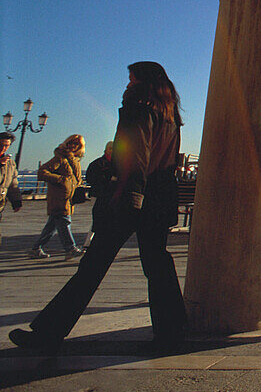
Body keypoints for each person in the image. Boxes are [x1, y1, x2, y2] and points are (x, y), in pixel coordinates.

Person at [11, 62, 188, 352]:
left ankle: (47, 334)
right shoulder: (170, 116)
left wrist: (126, 197)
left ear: (143, 83)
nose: (127, 85)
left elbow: (136, 156)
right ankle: (173, 331)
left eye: (131, 80)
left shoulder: (138, 108)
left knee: (92, 266)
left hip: (131, 197)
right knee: (157, 263)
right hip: (158, 197)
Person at [28, 134, 85, 259]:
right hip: (59, 198)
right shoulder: (60, 159)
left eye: (76, 144)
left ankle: (36, 248)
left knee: (52, 226)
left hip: (68, 199)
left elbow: (75, 180)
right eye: (70, 143)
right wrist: (61, 180)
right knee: (65, 221)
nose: (73, 146)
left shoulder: (74, 160)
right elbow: (42, 172)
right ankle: (70, 248)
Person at [82, 141, 115, 248]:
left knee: (105, 219)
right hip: (98, 194)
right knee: (98, 218)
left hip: (109, 195)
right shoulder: (98, 163)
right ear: (106, 150)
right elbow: (91, 178)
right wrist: (109, 179)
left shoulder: (115, 163)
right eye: (110, 149)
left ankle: (97, 241)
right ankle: (89, 241)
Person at [0, 132, 23, 247]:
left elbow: (13, 183)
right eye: (1, 145)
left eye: (6, 146)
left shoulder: (10, 163)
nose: (3, 148)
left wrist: (16, 201)